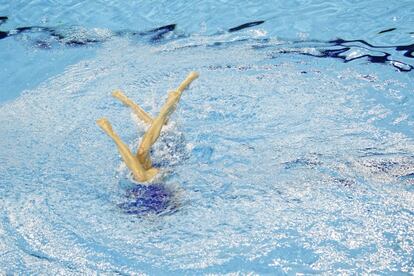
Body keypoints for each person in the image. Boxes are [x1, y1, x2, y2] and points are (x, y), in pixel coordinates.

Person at [97, 71, 199, 183]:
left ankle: (165, 102)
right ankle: (178, 92)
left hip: (152, 167)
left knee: (142, 152)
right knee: (165, 127)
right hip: (168, 159)